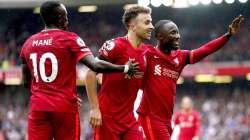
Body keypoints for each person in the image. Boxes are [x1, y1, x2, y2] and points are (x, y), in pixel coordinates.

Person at [19, 1, 139, 140]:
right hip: (64, 108)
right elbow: (94, 65)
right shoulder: (69, 39)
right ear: (60, 17)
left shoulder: (28, 43)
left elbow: (26, 82)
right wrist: (124, 68)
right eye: (66, 16)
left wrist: (45, 94)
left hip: (38, 108)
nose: (67, 20)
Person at [137, 15, 244, 140]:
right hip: (150, 117)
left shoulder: (180, 57)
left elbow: (206, 49)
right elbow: (128, 52)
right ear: (160, 36)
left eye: (177, 32)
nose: (178, 36)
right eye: (173, 33)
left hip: (166, 120)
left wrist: (228, 35)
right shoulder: (148, 53)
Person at [85, 5, 154, 140]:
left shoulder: (148, 52)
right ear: (132, 26)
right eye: (147, 22)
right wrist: (94, 108)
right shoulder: (116, 45)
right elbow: (90, 73)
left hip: (129, 120)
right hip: (107, 119)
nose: (151, 26)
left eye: (151, 22)